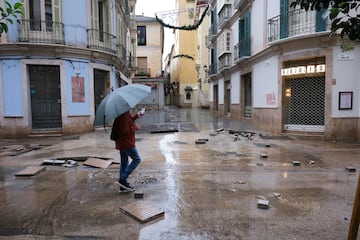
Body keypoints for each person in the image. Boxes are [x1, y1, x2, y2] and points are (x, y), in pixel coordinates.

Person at [114, 109, 144, 192]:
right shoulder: (124, 114)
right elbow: (124, 130)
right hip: (127, 142)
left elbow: (128, 121)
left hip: (122, 142)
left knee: (124, 162)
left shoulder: (122, 112)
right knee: (137, 159)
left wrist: (137, 115)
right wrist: (135, 127)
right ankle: (123, 179)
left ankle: (122, 186)